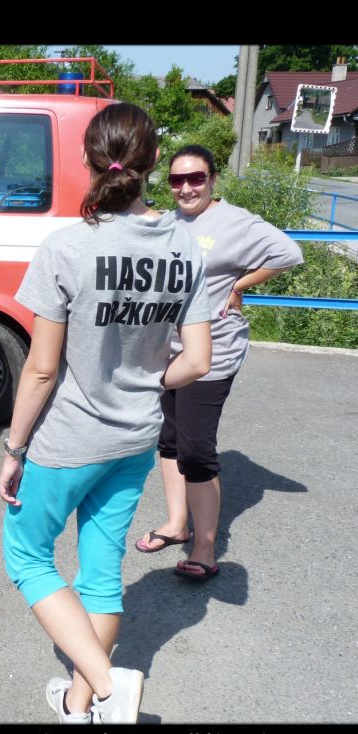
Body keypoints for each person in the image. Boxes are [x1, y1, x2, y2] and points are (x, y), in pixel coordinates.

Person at [0, 104, 212, 724]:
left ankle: (106, 686)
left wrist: (13, 449)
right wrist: (148, 382)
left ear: (87, 159)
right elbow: (197, 361)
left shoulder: (66, 247)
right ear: (154, 161)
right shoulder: (184, 246)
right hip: (136, 437)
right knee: (100, 572)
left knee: (27, 557)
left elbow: (40, 370)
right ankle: (79, 705)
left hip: (68, 440)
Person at [134, 145, 303, 580]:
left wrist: (239, 285)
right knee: (169, 439)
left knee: (196, 448)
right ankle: (177, 523)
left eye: (197, 178)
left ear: (212, 179)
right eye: (178, 180)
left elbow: (288, 253)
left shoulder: (236, 222)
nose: (187, 188)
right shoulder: (168, 222)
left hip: (213, 351)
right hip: (168, 348)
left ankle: (205, 547)